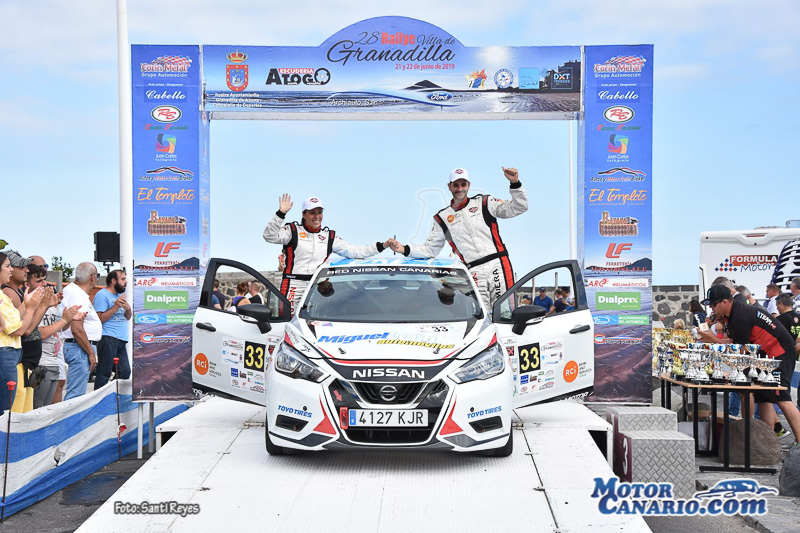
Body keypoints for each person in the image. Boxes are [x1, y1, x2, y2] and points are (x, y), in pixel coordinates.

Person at [391, 167, 527, 310]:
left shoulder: (485, 202)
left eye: (463, 184)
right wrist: (404, 249)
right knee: (482, 314)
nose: (460, 188)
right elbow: (430, 250)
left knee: (506, 312)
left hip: (497, 264)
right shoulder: (442, 218)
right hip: (473, 270)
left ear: (469, 185)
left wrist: (515, 183)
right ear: (449, 186)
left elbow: (518, 208)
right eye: (456, 185)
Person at [701, 285, 800, 443]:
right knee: (763, 397)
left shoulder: (739, 316)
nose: (711, 308)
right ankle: (766, 443)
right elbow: (734, 342)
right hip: (766, 355)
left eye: (713, 304)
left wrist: (710, 339)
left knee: (781, 397)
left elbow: (738, 349)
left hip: (779, 353)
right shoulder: (734, 313)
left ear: (725, 302)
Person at [263, 194, 392, 312]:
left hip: (317, 286)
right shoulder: (292, 230)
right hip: (293, 284)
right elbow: (269, 236)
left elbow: (355, 251)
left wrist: (382, 246)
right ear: (304, 214)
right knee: (287, 320)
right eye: (312, 212)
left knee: (313, 321)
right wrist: (280, 214)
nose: (317, 216)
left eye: (319, 212)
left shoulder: (328, 236)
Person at [0, 252, 45, 413]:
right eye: (8, 266)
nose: (11, 270)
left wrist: (28, 303)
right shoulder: (6, 293)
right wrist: (33, 307)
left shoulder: (3, 296)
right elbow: (20, 330)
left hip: (13, 354)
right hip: (6, 353)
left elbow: (16, 320)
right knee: (6, 409)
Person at [62, 262, 102, 400]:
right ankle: (70, 415)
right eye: (97, 275)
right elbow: (77, 329)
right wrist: (90, 352)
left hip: (80, 346)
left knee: (77, 392)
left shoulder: (77, 292)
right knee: (76, 395)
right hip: (80, 347)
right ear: (92, 277)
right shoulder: (76, 294)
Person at [93, 269, 131, 390]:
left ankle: (111, 394)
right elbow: (99, 318)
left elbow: (127, 317)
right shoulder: (102, 295)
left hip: (121, 339)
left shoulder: (119, 296)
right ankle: (99, 398)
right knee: (104, 372)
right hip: (108, 337)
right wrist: (116, 306)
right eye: (123, 279)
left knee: (125, 372)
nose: (126, 282)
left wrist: (128, 309)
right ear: (113, 281)